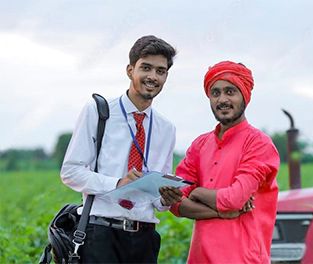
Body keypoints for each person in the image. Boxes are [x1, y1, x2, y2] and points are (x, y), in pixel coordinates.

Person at [61, 35, 183, 264]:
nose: (153, 76)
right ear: (130, 70)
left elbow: (157, 202)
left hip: (145, 238)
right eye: (145, 68)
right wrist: (117, 183)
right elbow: (70, 172)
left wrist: (167, 198)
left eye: (160, 71)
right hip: (101, 234)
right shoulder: (98, 111)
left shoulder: (166, 129)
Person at [168, 61, 280, 264]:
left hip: (244, 258)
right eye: (215, 93)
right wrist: (223, 213)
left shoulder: (259, 144)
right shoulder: (200, 145)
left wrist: (197, 193)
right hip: (200, 258)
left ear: (244, 96)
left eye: (230, 92)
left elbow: (235, 199)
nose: (222, 100)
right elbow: (175, 202)